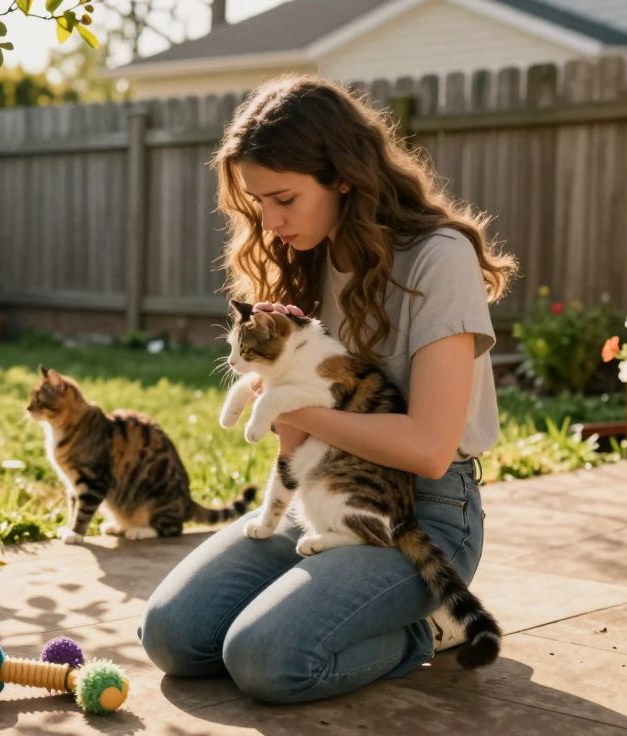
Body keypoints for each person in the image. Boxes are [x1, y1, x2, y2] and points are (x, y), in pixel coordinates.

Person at [139, 75, 516, 703]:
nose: (271, 220)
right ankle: (329, 602)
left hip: (419, 514)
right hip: (321, 492)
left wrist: (300, 411)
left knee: (266, 658)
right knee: (172, 636)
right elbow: (297, 418)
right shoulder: (310, 255)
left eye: (284, 198)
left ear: (343, 176)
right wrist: (287, 401)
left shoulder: (436, 258)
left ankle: (431, 625)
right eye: (259, 202)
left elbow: (428, 447)